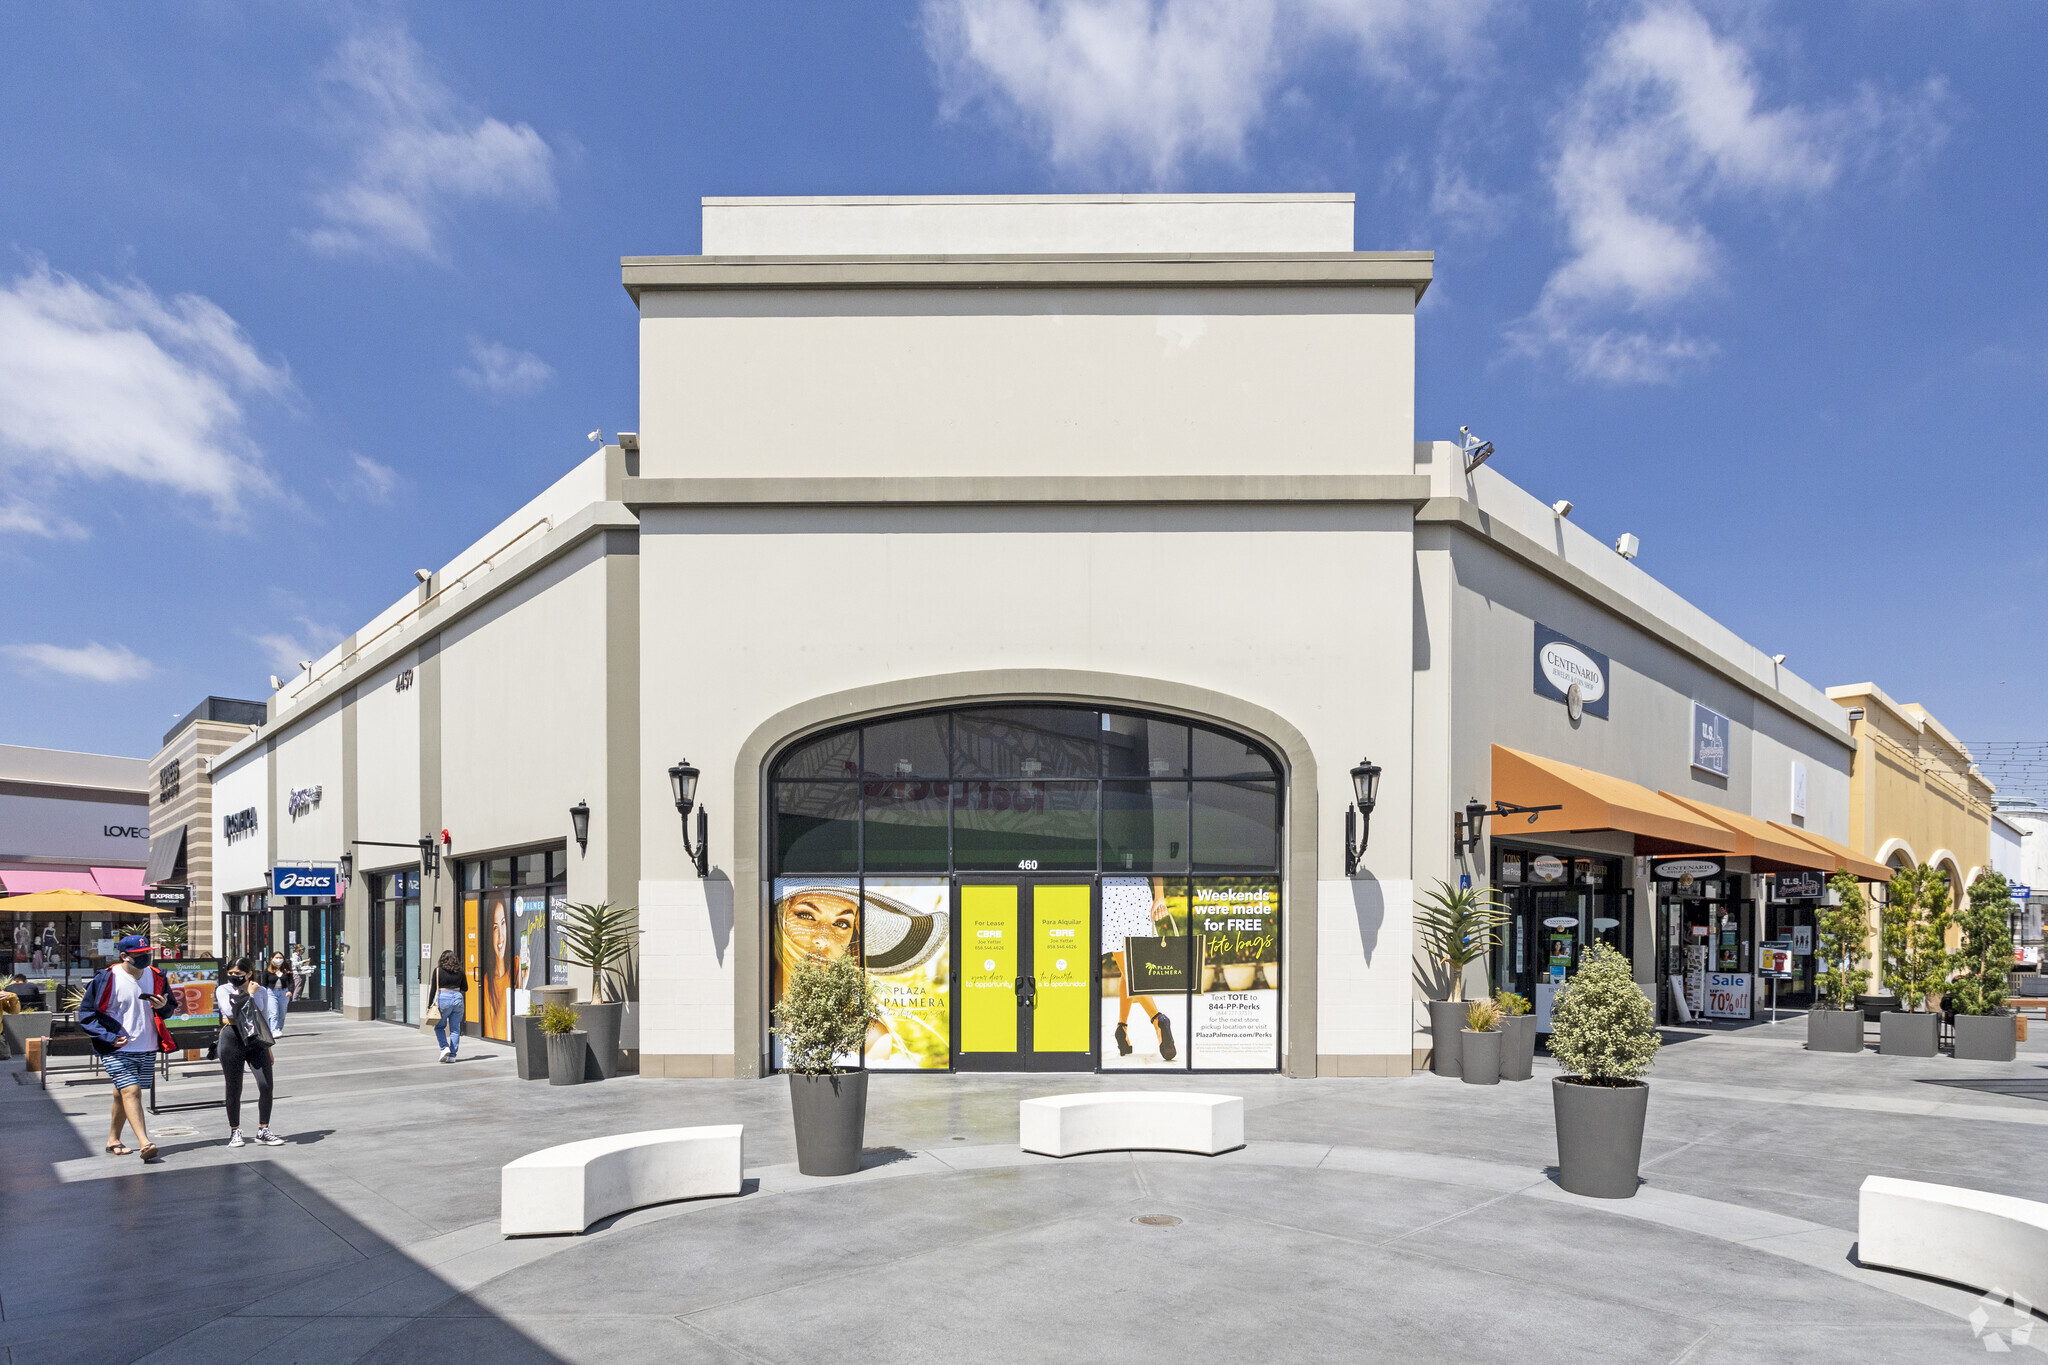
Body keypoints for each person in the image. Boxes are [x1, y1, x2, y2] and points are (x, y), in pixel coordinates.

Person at [75, 934, 176, 1161]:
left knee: (122, 1093)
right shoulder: (106, 978)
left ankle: (113, 1139)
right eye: (139, 955)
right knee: (131, 1091)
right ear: (124, 956)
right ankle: (145, 1142)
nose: (145, 958)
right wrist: (108, 1037)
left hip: (148, 1045)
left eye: (147, 953)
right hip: (116, 1047)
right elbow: (86, 1014)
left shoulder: (157, 976)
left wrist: (162, 1007)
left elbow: (170, 1009)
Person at [214, 957, 282, 1148]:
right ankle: (235, 1130)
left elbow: (263, 1017)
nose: (234, 977)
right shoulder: (224, 989)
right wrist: (249, 995)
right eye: (231, 973)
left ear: (249, 973)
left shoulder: (261, 991)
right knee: (234, 1087)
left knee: (266, 1084)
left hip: (255, 1038)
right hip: (232, 1036)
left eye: (238, 973)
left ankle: (264, 1128)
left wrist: (268, 1046)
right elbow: (230, 1011)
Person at [429, 949, 467, 1062]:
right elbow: (465, 988)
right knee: (455, 1029)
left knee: (440, 1026)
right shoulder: (460, 971)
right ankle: (453, 1056)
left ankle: (444, 1047)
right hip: (458, 998)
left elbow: (433, 990)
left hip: (443, 998)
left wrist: (429, 1005)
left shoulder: (437, 971)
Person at [258, 951, 291, 1036]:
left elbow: (291, 982)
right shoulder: (267, 971)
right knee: (274, 1012)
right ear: (272, 959)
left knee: (282, 1012)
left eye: (280, 958)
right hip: (271, 992)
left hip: (283, 992)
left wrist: (289, 991)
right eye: (277, 958)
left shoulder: (286, 970)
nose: (278, 960)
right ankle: (274, 1030)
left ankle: (279, 1028)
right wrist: (262, 994)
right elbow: (264, 984)